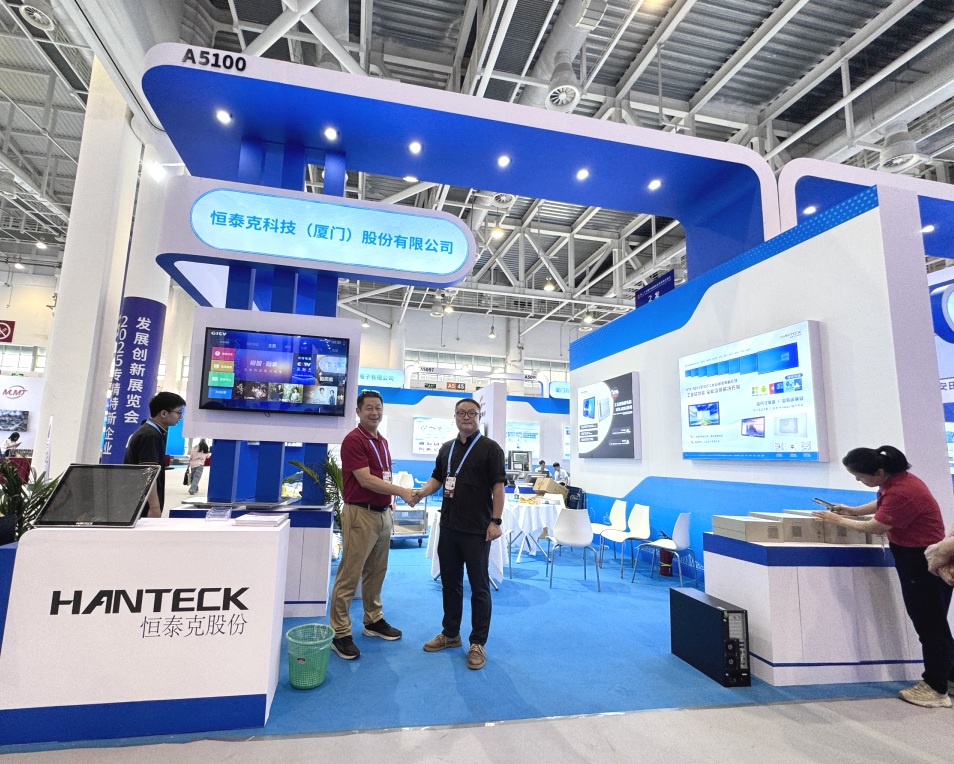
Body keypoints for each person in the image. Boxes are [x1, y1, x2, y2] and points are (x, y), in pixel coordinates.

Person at [813, 445, 954, 708]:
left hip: (923, 563)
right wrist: (852, 511)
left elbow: (876, 526)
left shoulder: (904, 491)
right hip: (915, 559)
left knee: (930, 627)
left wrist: (837, 521)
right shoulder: (897, 481)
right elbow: (883, 504)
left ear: (878, 471)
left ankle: (935, 688)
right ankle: (948, 677)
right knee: (935, 624)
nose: (858, 481)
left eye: (860, 476)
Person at [414, 398, 506, 670]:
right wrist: (420, 493)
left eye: (471, 413)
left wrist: (496, 521)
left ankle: (477, 643)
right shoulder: (446, 448)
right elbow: (437, 479)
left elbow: (498, 488)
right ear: (454, 417)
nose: (466, 417)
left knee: (479, 587)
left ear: (479, 416)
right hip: (449, 527)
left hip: (477, 530)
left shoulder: (491, 449)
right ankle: (451, 634)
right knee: (450, 583)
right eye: (461, 413)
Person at [330, 390, 418, 661]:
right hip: (360, 513)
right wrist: (402, 492)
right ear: (358, 411)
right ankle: (340, 633)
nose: (374, 412)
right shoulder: (353, 440)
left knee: (376, 571)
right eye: (368, 407)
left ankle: (373, 619)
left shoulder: (382, 441)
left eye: (378, 407)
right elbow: (365, 480)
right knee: (350, 574)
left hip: (382, 514)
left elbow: (382, 476)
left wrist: (391, 501)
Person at [123, 392, 185, 517]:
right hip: (142, 505)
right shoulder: (150, 435)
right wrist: (154, 507)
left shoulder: (149, 431)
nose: (180, 417)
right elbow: (148, 472)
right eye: (178, 412)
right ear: (163, 413)